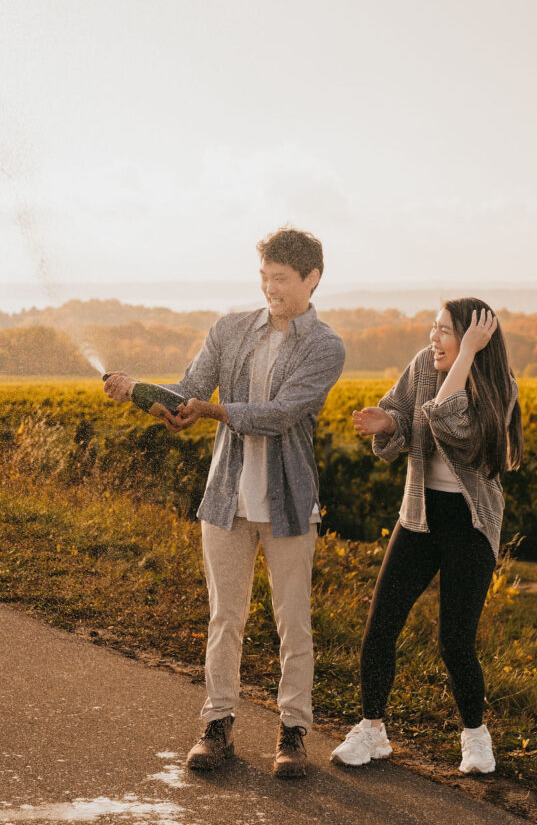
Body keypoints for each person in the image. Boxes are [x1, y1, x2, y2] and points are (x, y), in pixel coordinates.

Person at [104, 228, 345, 778]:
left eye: (281, 278)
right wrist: (139, 392)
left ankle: (293, 734)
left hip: (289, 505)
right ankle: (217, 726)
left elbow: (281, 415)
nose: (270, 288)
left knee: (293, 624)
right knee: (224, 619)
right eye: (264, 277)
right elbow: (188, 391)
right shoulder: (229, 329)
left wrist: (211, 411)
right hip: (225, 501)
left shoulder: (325, 346)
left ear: (312, 278)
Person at [330, 299, 523, 775]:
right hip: (418, 515)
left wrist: (466, 355)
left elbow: (454, 426)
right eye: (432, 328)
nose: (433, 339)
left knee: (455, 641)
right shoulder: (422, 365)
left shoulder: (499, 385)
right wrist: (388, 422)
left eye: (444, 331)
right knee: (380, 626)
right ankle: (372, 729)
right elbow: (400, 412)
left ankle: (475, 736)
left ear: (474, 339)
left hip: (471, 524)